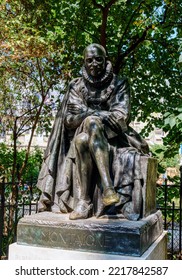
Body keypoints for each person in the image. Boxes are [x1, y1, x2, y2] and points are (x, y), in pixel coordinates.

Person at [37, 43, 149, 221]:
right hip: (86, 132)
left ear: (106, 60)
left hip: (114, 138)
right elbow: (69, 120)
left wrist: (90, 116)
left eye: (98, 59)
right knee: (89, 124)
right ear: (84, 62)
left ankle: (84, 202)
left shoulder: (119, 83)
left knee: (82, 139)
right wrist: (98, 114)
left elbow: (121, 116)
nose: (94, 63)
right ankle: (108, 189)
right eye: (89, 60)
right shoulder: (76, 86)